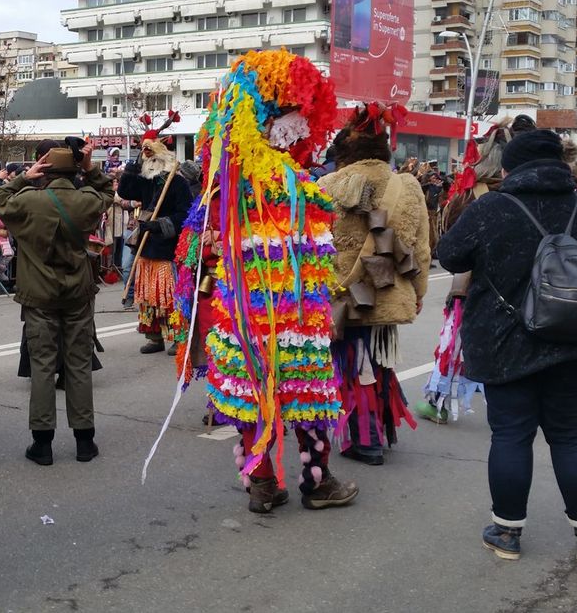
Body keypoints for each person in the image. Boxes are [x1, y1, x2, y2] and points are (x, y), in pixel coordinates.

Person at [166, 49, 357, 514]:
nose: (304, 130)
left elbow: (196, 253)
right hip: (294, 317)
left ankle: (261, 483)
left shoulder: (223, 184)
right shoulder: (293, 183)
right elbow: (317, 252)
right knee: (306, 394)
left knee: (251, 393)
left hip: (240, 316)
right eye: (297, 119)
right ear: (279, 120)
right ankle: (318, 481)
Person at [438, 129, 577, 563]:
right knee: (573, 435)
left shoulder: (492, 207)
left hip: (505, 341)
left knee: (512, 435)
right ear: (562, 165)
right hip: (575, 338)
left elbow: (450, 256)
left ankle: (508, 533)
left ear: (509, 167)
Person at [319, 104, 429, 466]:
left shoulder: (325, 186)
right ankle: (379, 431)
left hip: (342, 296)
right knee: (377, 363)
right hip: (389, 291)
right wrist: (420, 292)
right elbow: (421, 249)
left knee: (354, 365)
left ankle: (364, 439)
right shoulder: (408, 186)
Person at [0, 140, 112, 465]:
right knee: (77, 364)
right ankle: (85, 441)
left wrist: (22, 178)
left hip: (39, 296)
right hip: (78, 295)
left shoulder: (29, 200)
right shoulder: (86, 200)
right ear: (74, 170)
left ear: (44, 171)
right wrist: (90, 169)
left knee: (42, 366)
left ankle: (42, 445)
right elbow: (107, 194)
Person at [418, 118, 533, 424]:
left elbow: (450, 244)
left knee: (456, 342)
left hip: (475, 285)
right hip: (525, 286)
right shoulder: (533, 192)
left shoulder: (473, 193)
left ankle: (439, 401)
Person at [119, 112, 192, 355]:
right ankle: (153, 337)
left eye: (150, 152)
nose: (147, 157)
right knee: (147, 295)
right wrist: (130, 170)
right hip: (145, 244)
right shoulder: (145, 180)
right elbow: (126, 192)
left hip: (167, 247)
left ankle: (176, 336)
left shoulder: (177, 182)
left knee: (168, 295)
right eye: (144, 152)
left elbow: (185, 215)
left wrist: (161, 224)